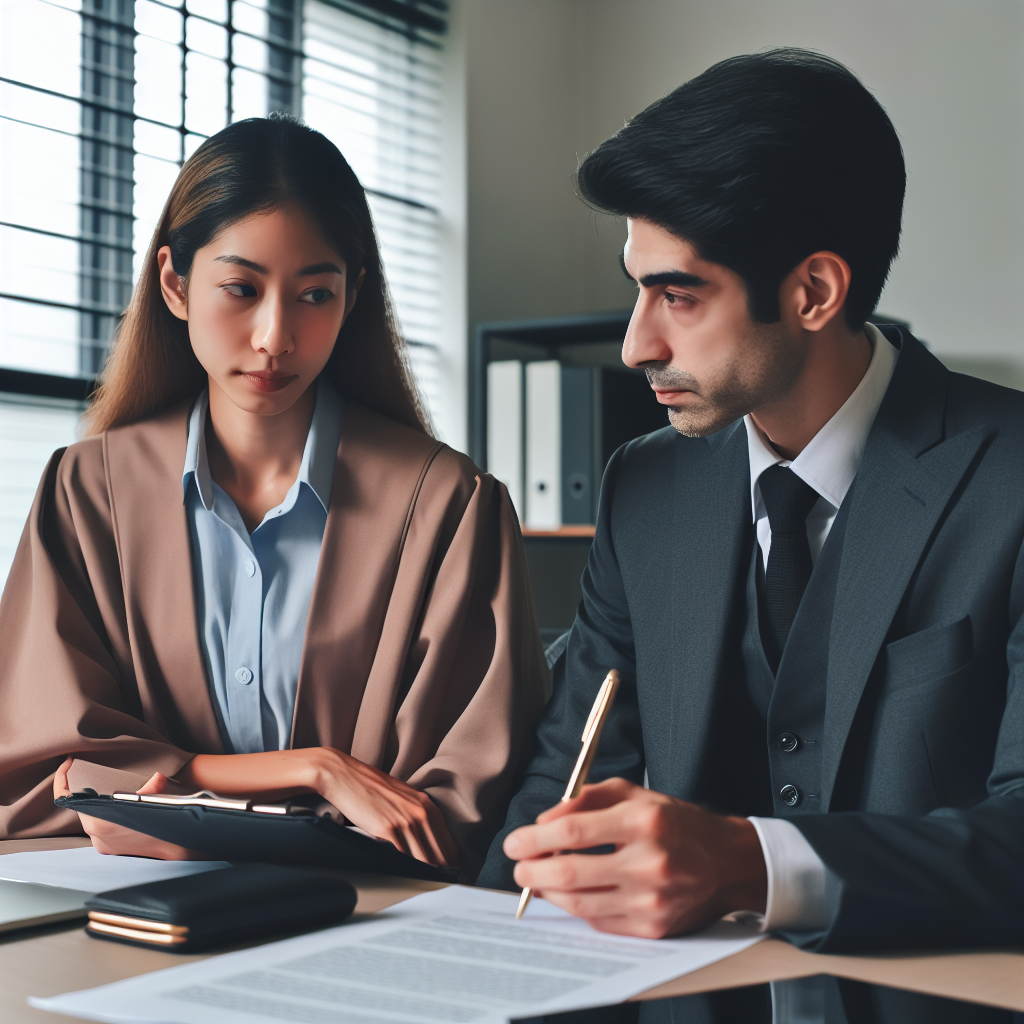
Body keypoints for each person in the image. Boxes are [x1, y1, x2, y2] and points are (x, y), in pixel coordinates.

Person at [480, 47, 1024, 968]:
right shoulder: (642, 488)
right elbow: (565, 779)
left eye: (677, 295)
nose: (632, 345)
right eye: (635, 287)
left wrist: (752, 864)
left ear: (813, 292)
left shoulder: (1009, 473)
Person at [0, 115, 546, 881]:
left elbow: (461, 800)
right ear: (175, 284)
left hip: (366, 921)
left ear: (354, 296)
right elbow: (44, 772)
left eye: (315, 294)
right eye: (241, 288)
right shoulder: (86, 492)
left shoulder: (452, 507)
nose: (274, 336)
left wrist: (178, 796)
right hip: (133, 918)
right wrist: (317, 771)